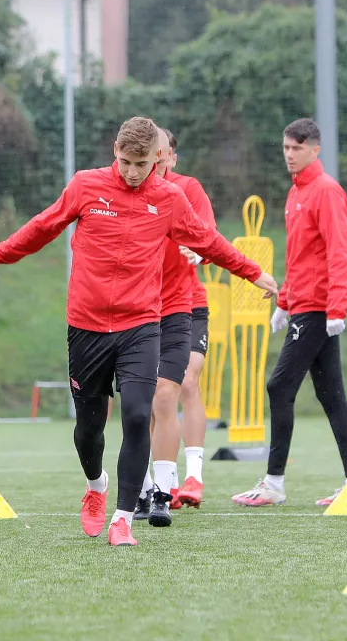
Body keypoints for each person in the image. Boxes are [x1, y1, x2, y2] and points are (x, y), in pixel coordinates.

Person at [0, 117, 276, 548]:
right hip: (87, 326)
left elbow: (208, 241)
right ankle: (96, 486)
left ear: (158, 159)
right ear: (115, 151)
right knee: (89, 430)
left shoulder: (169, 197)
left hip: (140, 326)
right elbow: (45, 225)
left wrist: (252, 272)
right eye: (126, 162)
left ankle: (123, 519)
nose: (133, 171)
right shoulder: (85, 186)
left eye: (142, 163)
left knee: (136, 415)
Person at [233, 118, 347, 508]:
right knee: (332, 396)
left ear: (315, 150)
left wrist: (338, 306)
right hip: (304, 306)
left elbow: (342, 252)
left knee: (279, 387)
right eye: (286, 147)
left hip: (320, 309)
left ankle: (274, 484)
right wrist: (284, 302)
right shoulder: (296, 194)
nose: (290, 154)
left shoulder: (326, 191)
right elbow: (301, 256)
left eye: (297, 148)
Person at [138, 127, 218, 527]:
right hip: (142, 309)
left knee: (185, 383)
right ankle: (147, 486)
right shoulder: (134, 193)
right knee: (149, 397)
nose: (159, 161)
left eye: (164, 154)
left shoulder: (188, 190)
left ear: (172, 157)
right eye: (153, 155)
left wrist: (197, 252)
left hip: (187, 304)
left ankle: (193, 477)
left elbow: (209, 240)